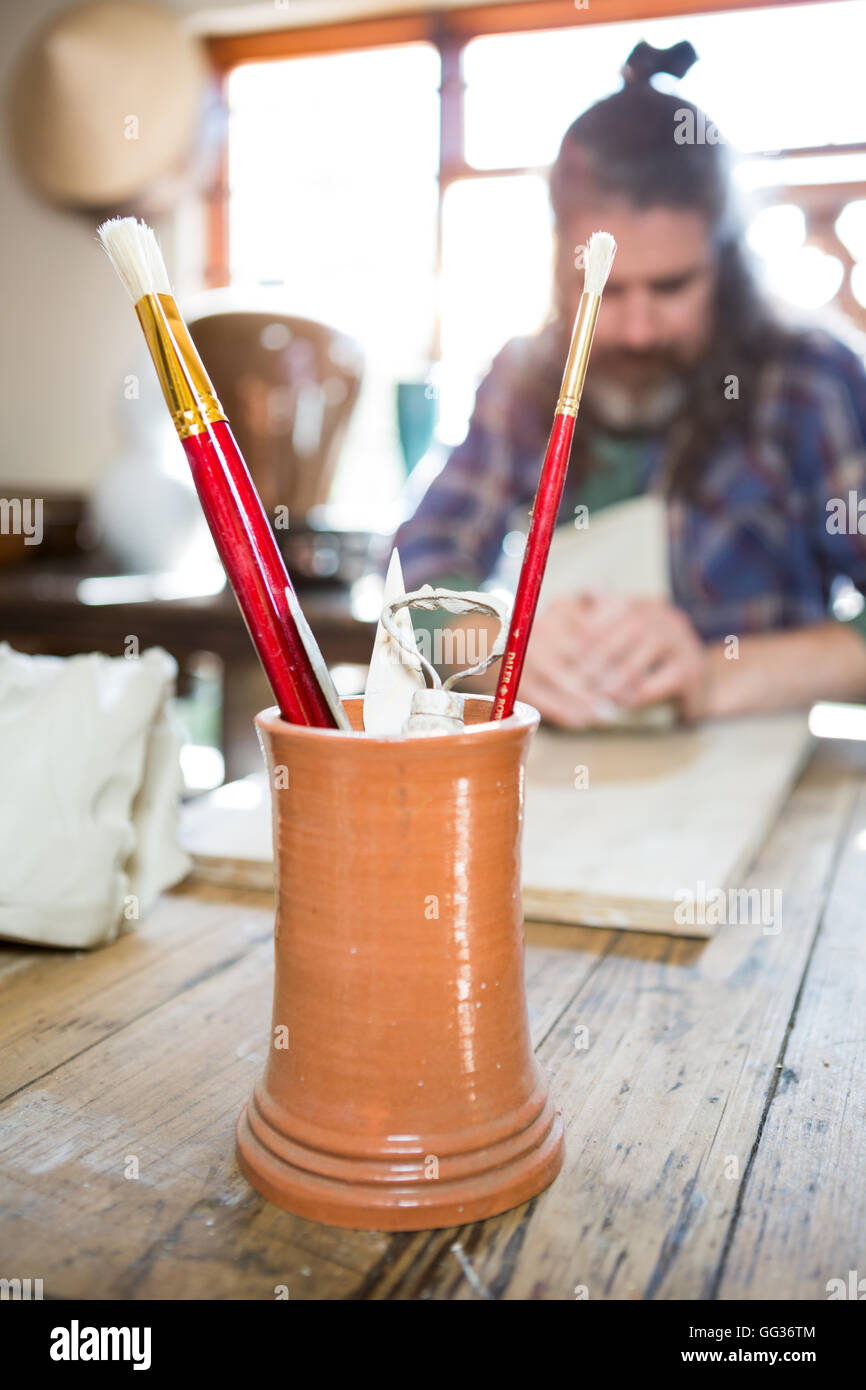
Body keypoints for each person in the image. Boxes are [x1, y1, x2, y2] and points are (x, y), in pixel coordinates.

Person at [392, 40, 866, 729]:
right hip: (557, 790)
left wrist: (713, 675)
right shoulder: (525, 378)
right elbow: (417, 569)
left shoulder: (808, 380)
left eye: (671, 287)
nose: (638, 330)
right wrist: (501, 646)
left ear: (724, 261)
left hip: (756, 782)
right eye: (604, 291)